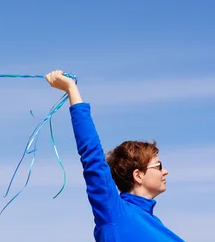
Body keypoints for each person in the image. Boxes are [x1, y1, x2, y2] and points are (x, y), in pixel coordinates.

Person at [44, 70, 184, 242]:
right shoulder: (114, 212)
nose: (165, 171)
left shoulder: (155, 223)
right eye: (159, 166)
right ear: (138, 175)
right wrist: (71, 89)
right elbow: (92, 156)